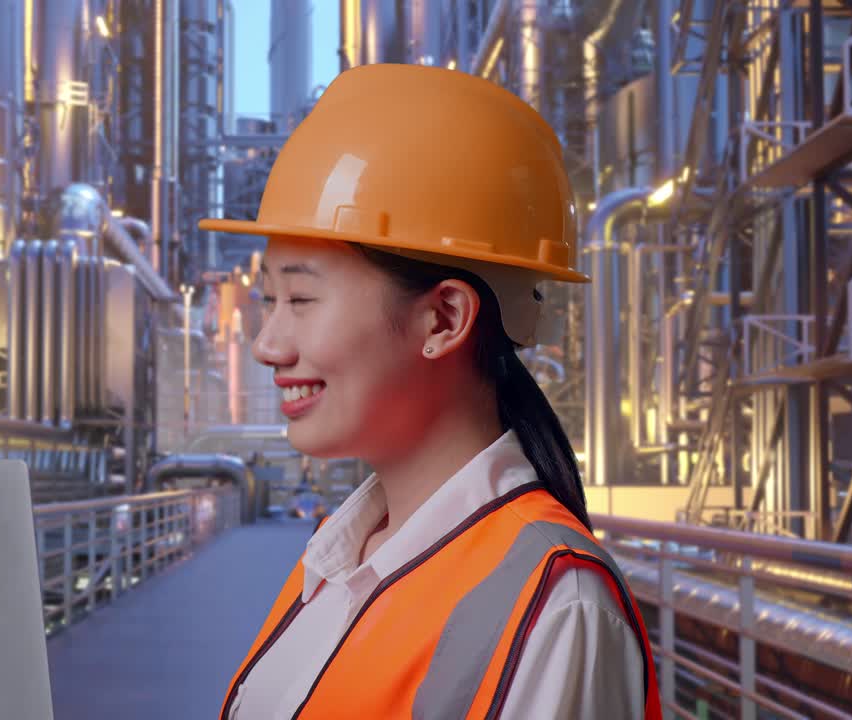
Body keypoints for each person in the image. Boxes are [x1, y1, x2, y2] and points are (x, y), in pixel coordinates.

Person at [198, 63, 661, 720]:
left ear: (443, 319)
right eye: (269, 299)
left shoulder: (557, 605)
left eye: (300, 298)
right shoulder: (338, 557)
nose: (267, 345)